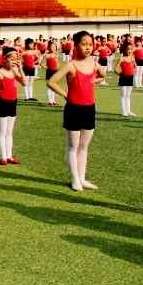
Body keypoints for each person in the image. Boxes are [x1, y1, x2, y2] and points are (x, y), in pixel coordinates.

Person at [48, 30, 105, 192]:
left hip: (89, 108)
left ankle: (82, 177)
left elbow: (103, 74)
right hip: (74, 109)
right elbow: (52, 82)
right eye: (84, 44)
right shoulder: (71, 65)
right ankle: (74, 179)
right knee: (73, 146)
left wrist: (95, 79)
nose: (87, 47)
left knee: (84, 146)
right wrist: (66, 95)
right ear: (76, 45)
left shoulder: (94, 63)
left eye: (90, 44)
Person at [0, 47, 24, 166]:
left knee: (9, 132)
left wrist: (20, 68)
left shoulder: (14, 71)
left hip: (13, 103)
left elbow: (24, 82)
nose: (14, 61)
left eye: (16, 59)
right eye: (11, 59)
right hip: (2, 104)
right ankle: (3, 157)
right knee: (2, 132)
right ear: (4, 59)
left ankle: (9, 156)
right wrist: (0, 94)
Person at [114, 43, 137, 117]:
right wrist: (120, 74)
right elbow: (115, 68)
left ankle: (129, 111)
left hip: (130, 78)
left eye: (130, 49)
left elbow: (135, 66)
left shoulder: (132, 58)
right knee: (123, 94)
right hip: (123, 78)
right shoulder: (122, 58)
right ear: (125, 50)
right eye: (127, 49)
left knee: (128, 95)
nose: (129, 51)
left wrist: (134, 70)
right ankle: (124, 111)